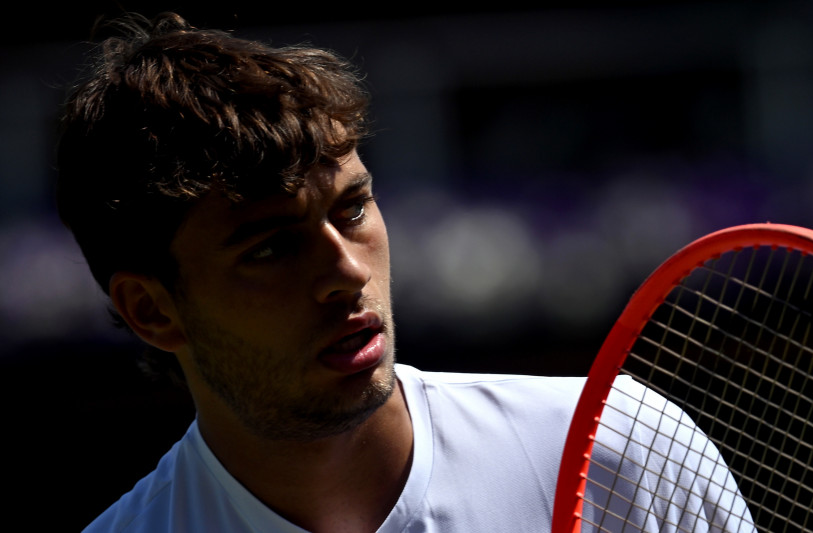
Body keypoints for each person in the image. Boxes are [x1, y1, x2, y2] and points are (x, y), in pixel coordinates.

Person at [56, 12, 756, 533]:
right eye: (269, 249)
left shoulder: (622, 448)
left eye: (353, 208)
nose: (344, 268)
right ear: (152, 310)